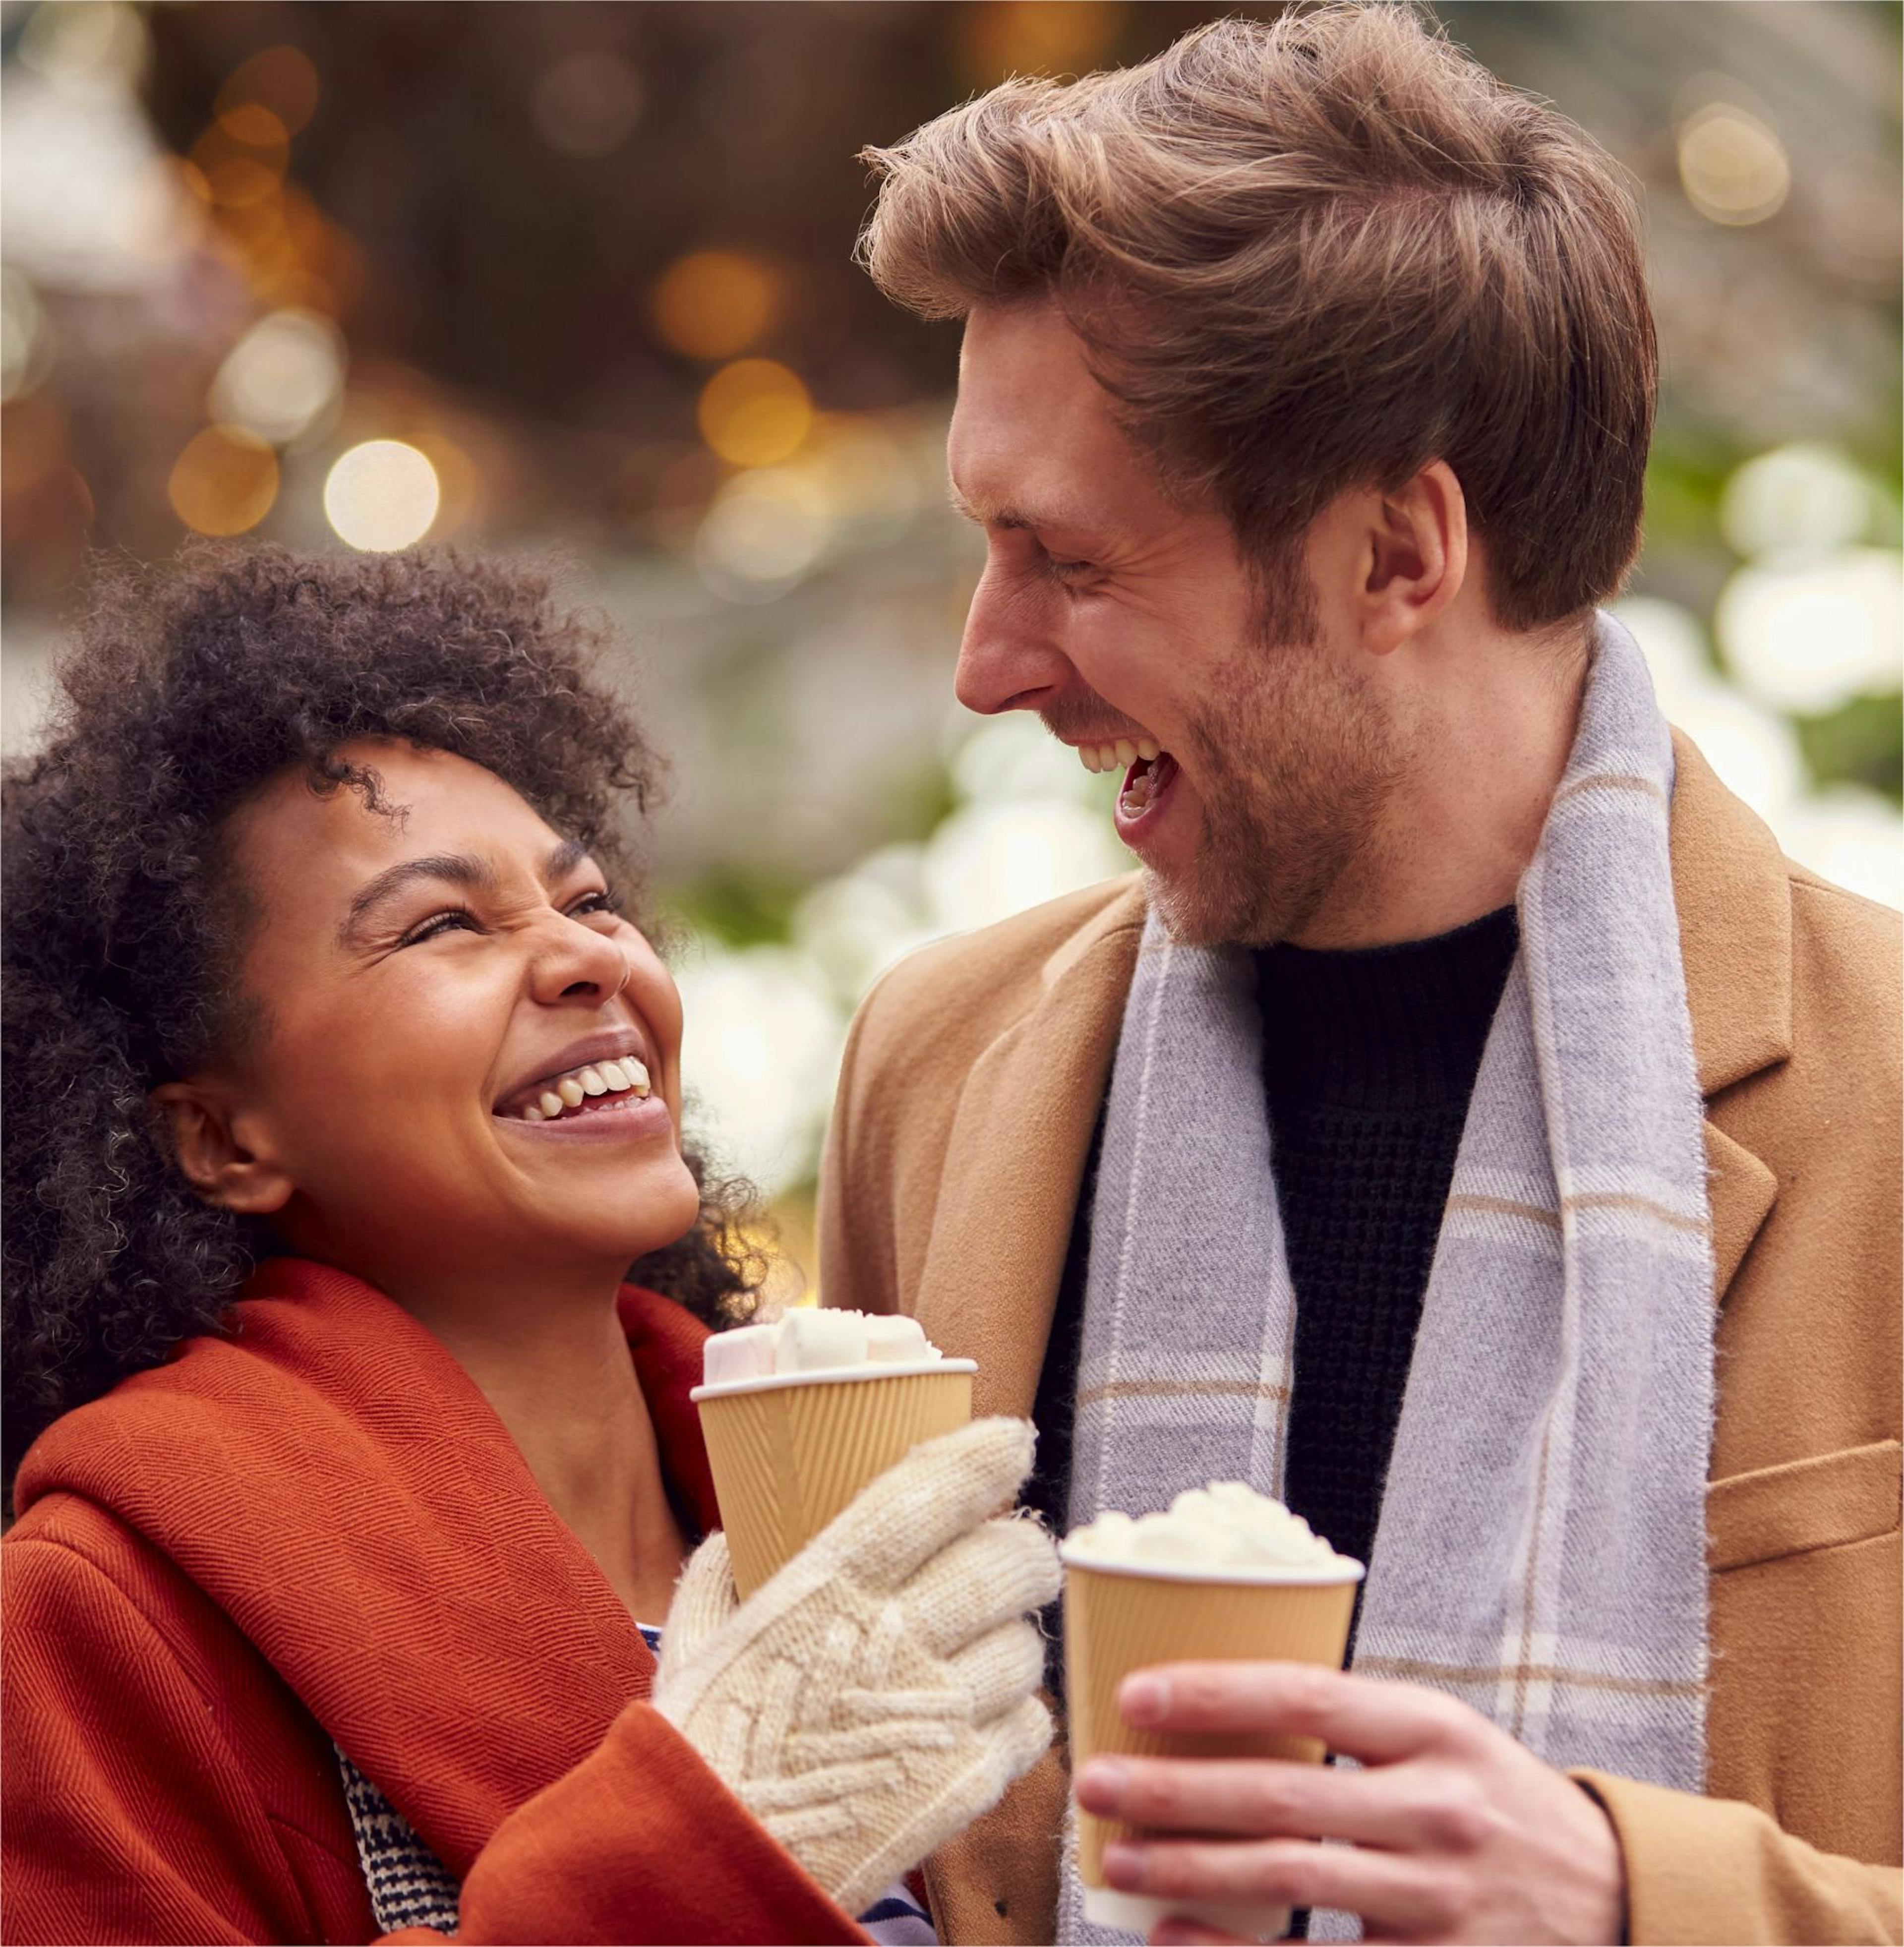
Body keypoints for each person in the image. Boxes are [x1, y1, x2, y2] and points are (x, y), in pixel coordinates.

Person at [820, 9, 1902, 1945]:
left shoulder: (1887, 1091)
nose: (987, 665)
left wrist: (1633, 1897)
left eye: (1062, 560)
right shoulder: (933, 1065)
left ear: (1399, 548)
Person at [0, 543, 1058, 1946]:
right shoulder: (98, 1624)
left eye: (589, 898)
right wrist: (713, 1844)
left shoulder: (828, 1510)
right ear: (222, 1138)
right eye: (443, 924)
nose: (586, 959)